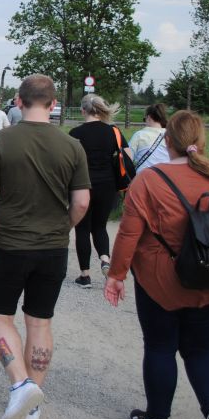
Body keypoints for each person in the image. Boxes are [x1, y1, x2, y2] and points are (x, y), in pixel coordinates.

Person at [104, 110, 209, 419]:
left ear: (167, 140)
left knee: (160, 347)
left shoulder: (149, 181)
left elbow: (129, 234)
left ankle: (157, 417)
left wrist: (116, 275)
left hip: (160, 282)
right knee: (205, 349)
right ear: (200, 140)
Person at [0, 74, 90, 419]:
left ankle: (20, 385)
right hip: (53, 248)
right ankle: (32, 407)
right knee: (40, 322)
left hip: (11, 244)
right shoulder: (72, 146)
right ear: (54, 105)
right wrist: (63, 227)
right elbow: (82, 202)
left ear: (19, 102)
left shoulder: (2, 140)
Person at [68, 94, 132, 288]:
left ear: (82, 110)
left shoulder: (75, 133)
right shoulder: (113, 131)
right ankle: (105, 259)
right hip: (107, 184)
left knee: (82, 228)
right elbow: (128, 156)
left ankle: (85, 275)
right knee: (100, 226)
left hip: (82, 185)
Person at [129, 103, 170, 171]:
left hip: (143, 177)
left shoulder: (139, 135)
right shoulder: (171, 135)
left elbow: (127, 158)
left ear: (149, 117)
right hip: (166, 177)